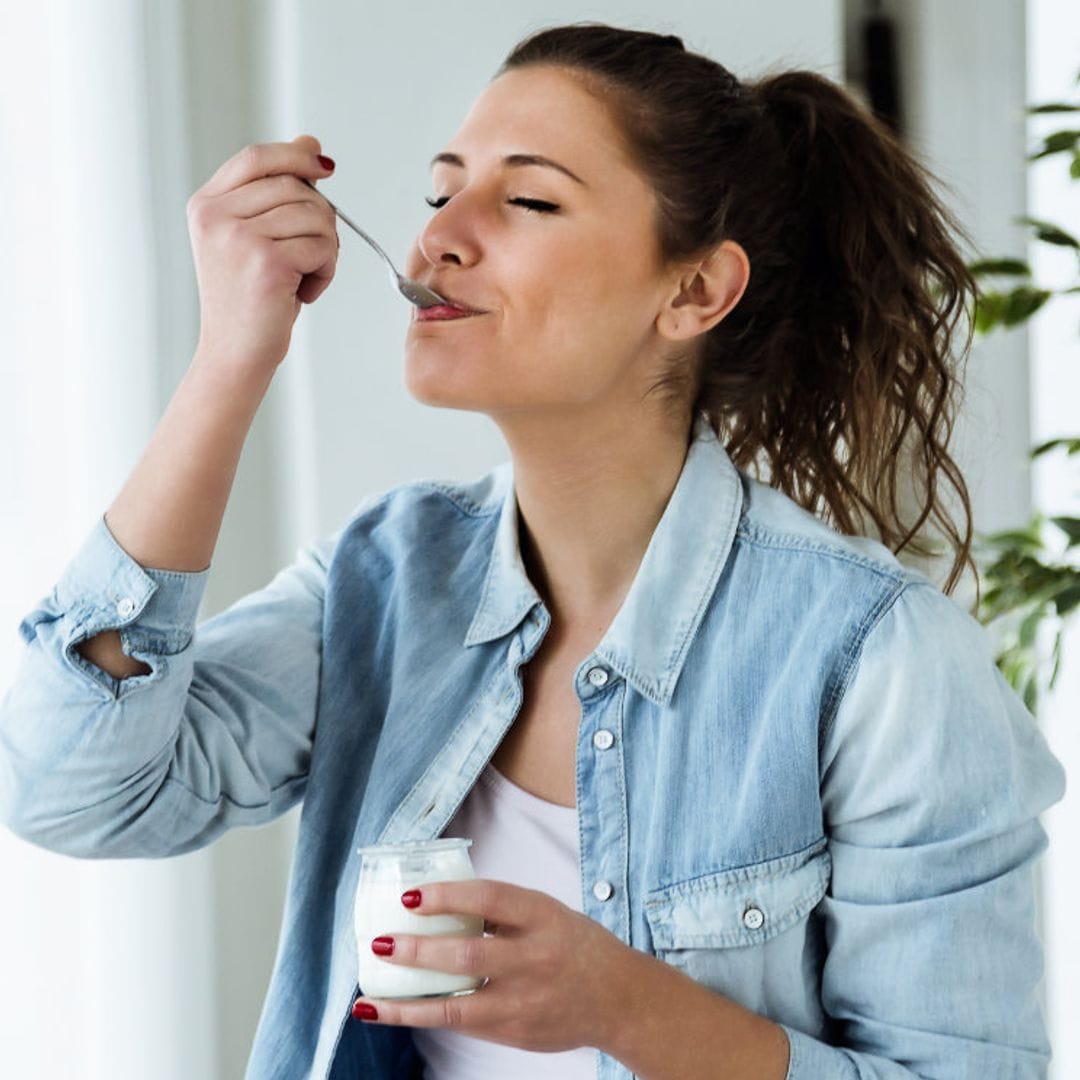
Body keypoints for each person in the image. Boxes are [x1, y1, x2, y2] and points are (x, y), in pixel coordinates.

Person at [0, 21, 1067, 1080]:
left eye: (528, 200)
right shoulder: (385, 579)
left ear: (695, 290)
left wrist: (627, 1008)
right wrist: (231, 356)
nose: (440, 239)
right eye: (438, 192)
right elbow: (75, 791)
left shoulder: (878, 661)